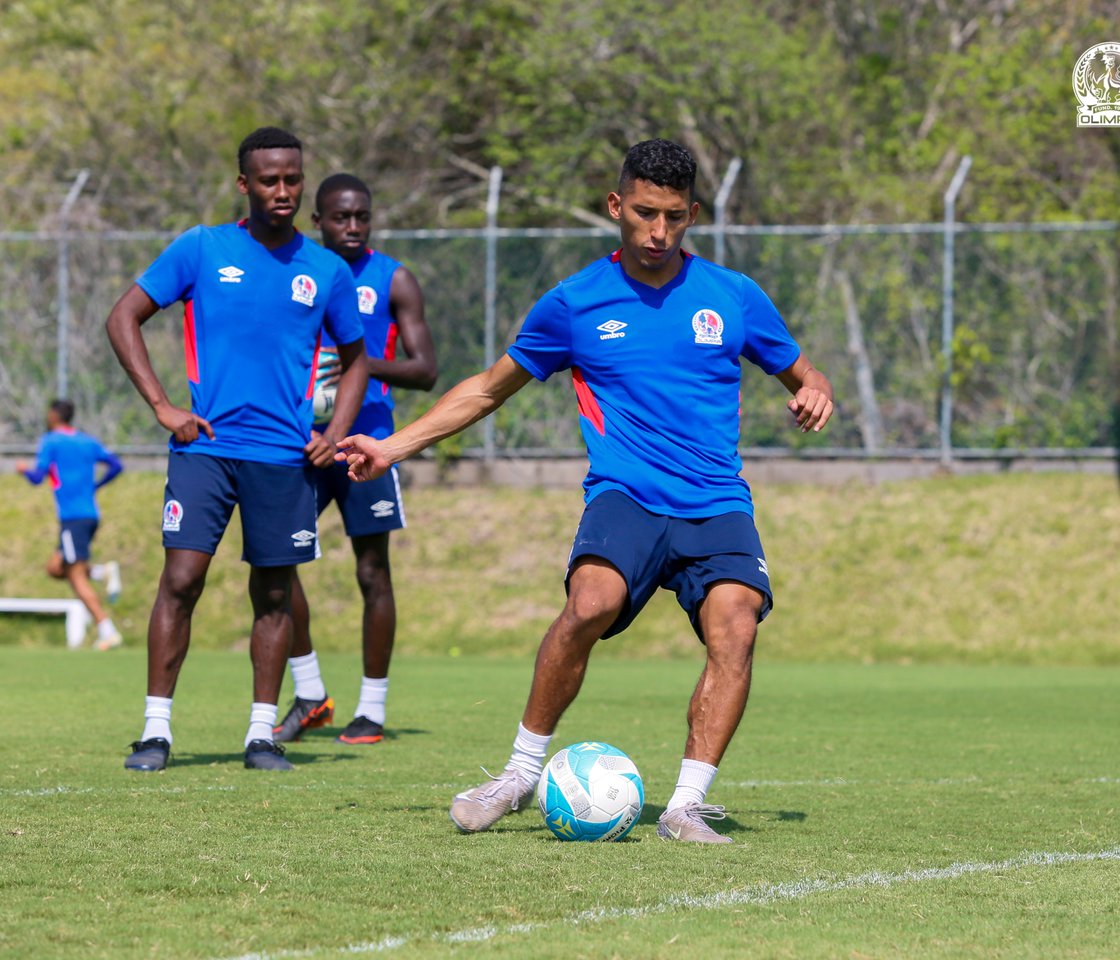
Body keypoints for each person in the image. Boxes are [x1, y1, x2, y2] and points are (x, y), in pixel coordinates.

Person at [337, 139, 834, 843]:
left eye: (672, 216)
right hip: (626, 493)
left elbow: (805, 373)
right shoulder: (574, 303)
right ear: (615, 207)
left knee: (737, 627)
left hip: (716, 500)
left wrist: (816, 392)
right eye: (642, 214)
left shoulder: (734, 297)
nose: (657, 232)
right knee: (589, 604)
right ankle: (517, 773)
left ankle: (686, 806)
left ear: (692, 213)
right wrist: (390, 446)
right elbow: (486, 390)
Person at [105, 126, 367, 773]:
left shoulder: (326, 270)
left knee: (274, 594)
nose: (282, 191)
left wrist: (335, 433)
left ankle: (261, 736)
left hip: (283, 459)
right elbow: (123, 317)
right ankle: (155, 732)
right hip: (206, 451)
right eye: (269, 180)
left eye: (292, 179)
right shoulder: (201, 248)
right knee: (181, 581)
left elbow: (358, 359)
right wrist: (164, 407)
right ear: (243, 184)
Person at [274, 173, 437, 746]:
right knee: (275, 565)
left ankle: (371, 708)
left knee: (372, 572)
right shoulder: (293, 272)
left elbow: (426, 370)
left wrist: (361, 364)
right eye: (340, 217)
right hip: (299, 441)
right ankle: (311, 692)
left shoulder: (393, 279)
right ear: (316, 221)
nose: (352, 226)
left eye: (361, 217)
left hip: (366, 443)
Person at [17, 399, 124, 651]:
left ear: (54, 415)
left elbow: (36, 477)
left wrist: (23, 469)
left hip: (73, 518)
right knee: (55, 568)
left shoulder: (51, 441)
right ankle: (101, 572)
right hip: (89, 515)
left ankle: (107, 629)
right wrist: (97, 486)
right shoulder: (87, 441)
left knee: (76, 577)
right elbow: (117, 465)